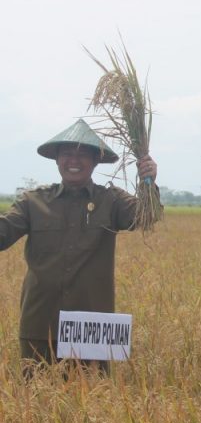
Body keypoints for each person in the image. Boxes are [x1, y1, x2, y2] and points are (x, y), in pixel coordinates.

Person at [0, 119, 159, 367]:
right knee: (35, 391)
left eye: (83, 154)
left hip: (92, 327)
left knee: (94, 390)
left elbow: (146, 216)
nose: (74, 160)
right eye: (66, 154)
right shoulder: (33, 202)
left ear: (95, 161)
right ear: (56, 159)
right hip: (40, 324)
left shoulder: (111, 200)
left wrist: (147, 182)